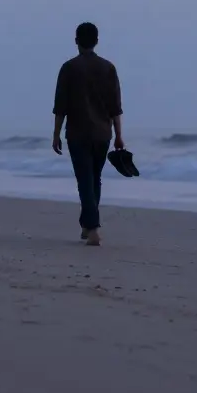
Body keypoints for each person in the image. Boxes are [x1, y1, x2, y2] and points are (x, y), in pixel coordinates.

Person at [52, 22, 124, 246]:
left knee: (84, 179)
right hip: (103, 134)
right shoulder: (108, 68)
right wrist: (119, 135)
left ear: (76, 41)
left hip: (77, 133)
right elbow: (115, 107)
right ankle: (86, 225)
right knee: (94, 179)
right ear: (97, 41)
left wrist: (56, 134)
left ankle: (93, 229)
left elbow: (60, 106)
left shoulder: (69, 68)